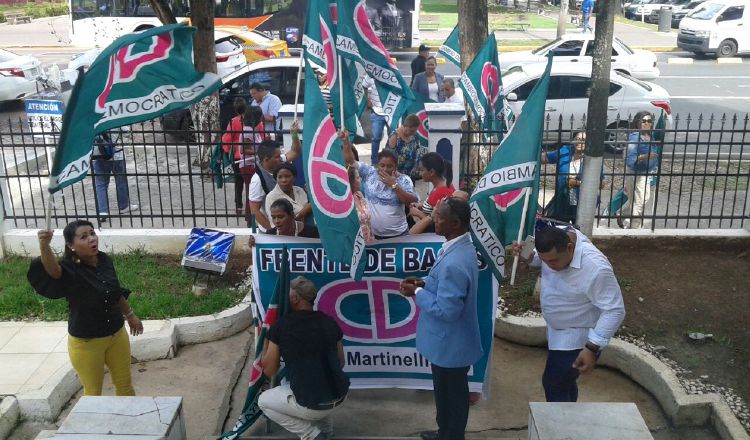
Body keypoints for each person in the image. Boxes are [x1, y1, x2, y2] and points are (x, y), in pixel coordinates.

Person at [27, 220, 144, 396]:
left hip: (117, 336)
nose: (91, 239)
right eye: (83, 236)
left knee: (125, 387)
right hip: (87, 344)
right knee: (93, 393)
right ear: (71, 246)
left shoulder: (104, 260)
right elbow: (53, 271)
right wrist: (44, 244)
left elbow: (115, 291)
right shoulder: (69, 269)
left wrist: (130, 315)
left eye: (92, 233)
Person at [512, 221, 625, 402]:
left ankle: (560, 428)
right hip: (557, 331)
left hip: (578, 336)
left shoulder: (596, 268)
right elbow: (539, 258)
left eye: (554, 261)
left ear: (570, 247)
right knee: (565, 383)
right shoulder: (558, 239)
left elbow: (615, 310)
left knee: (554, 383)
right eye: (545, 261)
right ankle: (570, 416)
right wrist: (528, 255)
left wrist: (591, 347)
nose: (549, 266)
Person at [399, 198, 483, 440]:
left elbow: (447, 311)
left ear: (455, 223)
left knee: (451, 397)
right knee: (447, 395)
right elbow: (449, 288)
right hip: (451, 343)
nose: (432, 219)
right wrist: (425, 282)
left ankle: (450, 435)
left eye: (438, 217)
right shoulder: (459, 247)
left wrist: (417, 292)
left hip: (450, 344)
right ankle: (445, 432)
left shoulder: (455, 262)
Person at [258, 276, 349, 440]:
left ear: (295, 298)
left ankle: (311, 435)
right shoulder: (330, 322)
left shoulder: (282, 326)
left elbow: (270, 371)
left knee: (263, 401)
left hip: (312, 405)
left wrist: (266, 343)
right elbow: (341, 363)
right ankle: (327, 433)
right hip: (341, 395)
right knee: (319, 383)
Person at [341, 130, 419, 239]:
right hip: (373, 236)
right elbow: (350, 161)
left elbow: (410, 201)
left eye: (389, 166)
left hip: (399, 236)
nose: (385, 169)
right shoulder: (369, 173)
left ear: (396, 166)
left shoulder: (404, 180)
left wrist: (394, 185)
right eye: (382, 165)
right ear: (377, 164)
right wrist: (346, 143)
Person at [542, 131, 606, 224]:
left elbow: (601, 184)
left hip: (583, 201)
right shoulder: (565, 151)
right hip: (563, 198)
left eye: (584, 140)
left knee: (579, 228)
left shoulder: (592, 157)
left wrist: (577, 183)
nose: (580, 142)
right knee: (560, 227)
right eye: (578, 139)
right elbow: (546, 158)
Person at [248, 127, 302, 231]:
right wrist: (272, 230)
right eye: (277, 156)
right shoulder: (258, 180)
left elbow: (296, 151)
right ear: (266, 160)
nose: (281, 158)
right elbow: (254, 210)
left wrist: (294, 135)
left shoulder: (278, 163)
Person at [621, 111, 659, 229]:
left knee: (643, 198)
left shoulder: (650, 136)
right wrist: (645, 156)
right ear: (637, 123)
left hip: (646, 173)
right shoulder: (635, 137)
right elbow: (630, 158)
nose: (646, 123)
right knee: (639, 201)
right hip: (635, 173)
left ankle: (621, 213)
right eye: (643, 121)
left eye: (649, 121)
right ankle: (634, 228)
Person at [91, 129, 138, 222]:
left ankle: (102, 211)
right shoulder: (115, 115)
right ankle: (123, 206)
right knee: (121, 182)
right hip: (117, 155)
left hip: (99, 155)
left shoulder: (94, 118)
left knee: (101, 184)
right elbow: (126, 131)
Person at [409, 152, 454, 234]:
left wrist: (418, 213)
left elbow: (435, 222)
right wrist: (421, 206)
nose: (420, 173)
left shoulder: (440, 192)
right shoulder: (444, 184)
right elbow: (433, 208)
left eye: (422, 170)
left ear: (432, 172)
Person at [221, 97, 250, 215]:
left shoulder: (233, 121)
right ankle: (250, 206)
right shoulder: (254, 120)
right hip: (251, 157)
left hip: (238, 156)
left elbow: (227, 138)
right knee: (251, 183)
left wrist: (226, 149)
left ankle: (239, 206)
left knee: (238, 183)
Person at [387, 114, 423, 180]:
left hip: (411, 175)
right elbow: (389, 158)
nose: (414, 132)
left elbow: (418, 152)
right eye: (411, 130)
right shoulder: (394, 137)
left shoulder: (414, 136)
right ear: (405, 126)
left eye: (415, 130)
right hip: (397, 176)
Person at [362, 74, 386, 165]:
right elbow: (363, 86)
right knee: (376, 138)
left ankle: (390, 160)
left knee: (393, 137)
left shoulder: (392, 72)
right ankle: (374, 162)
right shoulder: (371, 74)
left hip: (391, 112)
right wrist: (366, 99)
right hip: (377, 111)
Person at [349, 164, 375, 243]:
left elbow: (368, 223)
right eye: (357, 177)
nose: (360, 179)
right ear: (351, 181)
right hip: (354, 246)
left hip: (369, 243)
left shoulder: (359, 194)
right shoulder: (346, 202)